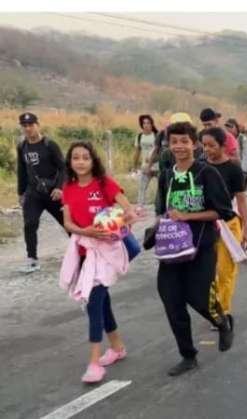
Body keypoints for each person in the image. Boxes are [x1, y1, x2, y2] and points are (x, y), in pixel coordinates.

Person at [154, 122, 235, 377]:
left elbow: (223, 211)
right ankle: (188, 355)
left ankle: (222, 321)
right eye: (174, 141)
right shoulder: (166, 174)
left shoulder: (207, 173)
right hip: (172, 249)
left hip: (201, 246)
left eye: (184, 141)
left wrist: (188, 216)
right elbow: (161, 209)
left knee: (200, 298)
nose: (179, 146)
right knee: (171, 299)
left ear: (194, 144)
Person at [61, 142, 136, 383]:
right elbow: (68, 223)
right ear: (70, 162)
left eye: (85, 157)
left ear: (93, 160)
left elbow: (128, 210)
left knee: (94, 304)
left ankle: (94, 363)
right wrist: (87, 231)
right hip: (86, 251)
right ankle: (117, 347)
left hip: (109, 252)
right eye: (75, 158)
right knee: (101, 302)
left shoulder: (104, 183)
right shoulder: (69, 187)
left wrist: (119, 222)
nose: (80, 162)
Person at [202, 127, 247, 323]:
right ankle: (212, 305)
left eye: (212, 145)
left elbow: (241, 200)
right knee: (206, 271)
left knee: (225, 270)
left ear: (223, 146)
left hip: (229, 225)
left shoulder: (233, 169)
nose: (207, 149)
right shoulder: (199, 167)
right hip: (205, 224)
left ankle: (222, 310)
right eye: (204, 145)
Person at [16, 112, 66, 274]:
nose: (28, 128)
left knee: (68, 223)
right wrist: (21, 192)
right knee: (30, 224)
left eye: (31, 125)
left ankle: (84, 251)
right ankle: (32, 259)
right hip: (33, 193)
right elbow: (21, 170)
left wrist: (60, 188)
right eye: (25, 126)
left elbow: (63, 168)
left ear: (38, 125)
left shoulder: (49, 144)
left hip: (53, 193)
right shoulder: (22, 146)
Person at [134, 114, 159, 206]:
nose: (146, 125)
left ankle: (161, 207)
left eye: (148, 123)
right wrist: (134, 165)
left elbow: (159, 151)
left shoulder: (157, 135)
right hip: (145, 166)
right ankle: (140, 207)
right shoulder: (139, 136)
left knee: (161, 188)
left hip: (157, 166)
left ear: (152, 124)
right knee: (142, 188)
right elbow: (137, 151)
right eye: (144, 123)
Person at [224, 118, 247, 189]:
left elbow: (246, 155)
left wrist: (243, 171)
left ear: (236, 128)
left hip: (240, 170)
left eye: (231, 127)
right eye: (227, 127)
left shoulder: (242, 139)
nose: (229, 129)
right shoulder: (224, 138)